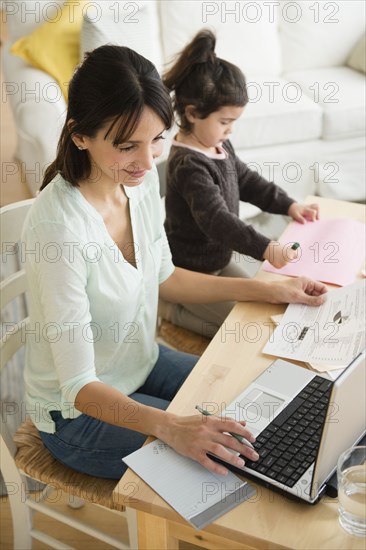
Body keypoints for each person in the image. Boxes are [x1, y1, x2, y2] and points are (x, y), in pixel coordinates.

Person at [21, 45, 327, 481]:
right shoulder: (59, 230)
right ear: (79, 135)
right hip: (77, 415)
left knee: (264, 402)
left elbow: (165, 277)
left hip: (142, 363)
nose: (148, 162)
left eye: (158, 139)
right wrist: (170, 427)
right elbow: (78, 388)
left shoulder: (137, 183)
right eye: (128, 146)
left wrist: (269, 288)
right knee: (233, 456)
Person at [162, 30, 320, 336]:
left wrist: (289, 205)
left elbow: (246, 180)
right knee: (243, 329)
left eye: (234, 122)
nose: (230, 130)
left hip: (218, 261)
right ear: (193, 114)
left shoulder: (217, 144)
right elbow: (218, 221)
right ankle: (172, 309)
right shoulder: (189, 165)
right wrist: (266, 248)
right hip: (193, 273)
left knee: (265, 310)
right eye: (225, 122)